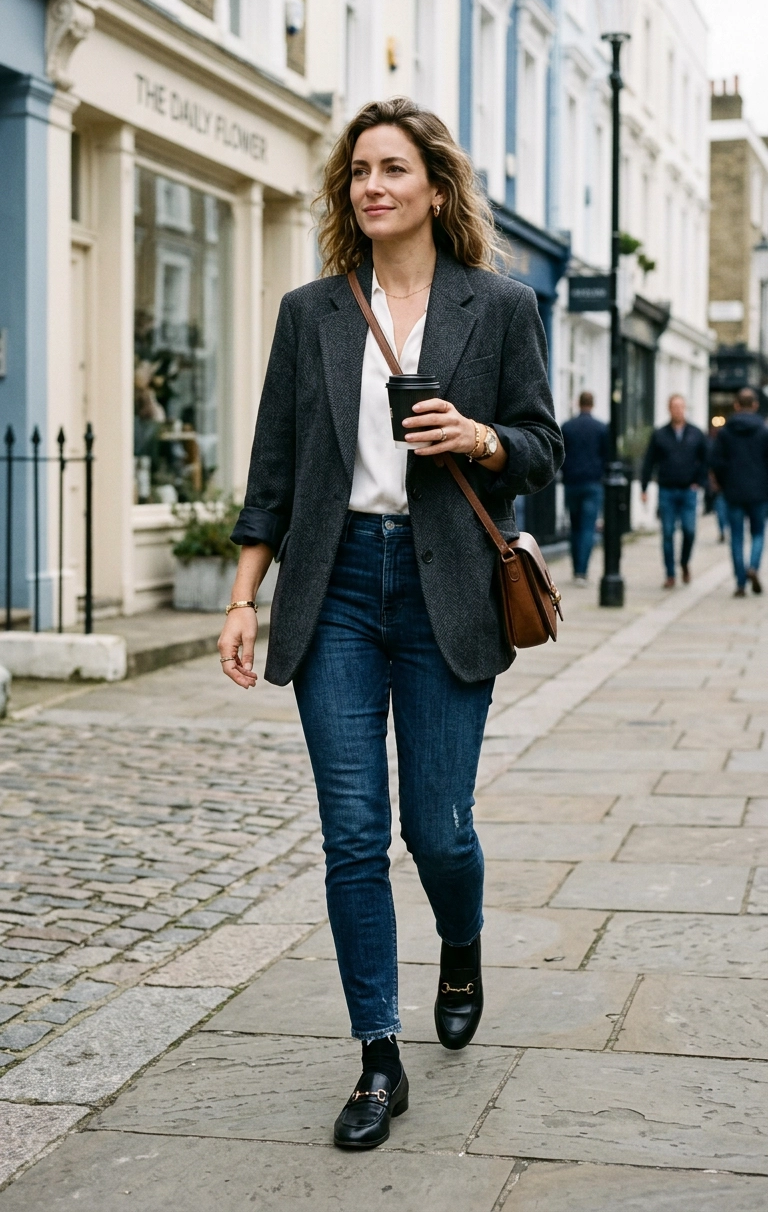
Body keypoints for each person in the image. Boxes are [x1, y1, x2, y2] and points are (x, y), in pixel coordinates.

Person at [217, 97, 562, 1150]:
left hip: (444, 586)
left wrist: (481, 438)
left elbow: (543, 448)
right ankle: (378, 1056)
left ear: (437, 189)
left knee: (438, 827)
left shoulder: (498, 305)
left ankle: (461, 941)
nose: (373, 185)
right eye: (360, 170)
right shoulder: (311, 312)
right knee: (354, 834)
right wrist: (243, 596)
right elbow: (274, 467)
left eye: (394, 169)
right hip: (335, 588)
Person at [641, 395, 708, 588]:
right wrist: (644, 487)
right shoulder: (660, 434)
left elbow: (705, 459)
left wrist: (699, 482)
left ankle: (684, 562)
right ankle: (670, 573)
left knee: (689, 531)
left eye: (680, 406)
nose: (677, 410)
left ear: (685, 408)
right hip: (667, 490)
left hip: (688, 490)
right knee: (668, 533)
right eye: (674, 407)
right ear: (669, 409)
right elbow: (649, 461)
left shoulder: (696, 433)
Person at [710, 387, 768, 597]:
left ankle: (741, 583)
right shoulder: (764, 431)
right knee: (758, 533)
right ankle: (753, 566)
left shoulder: (726, 432)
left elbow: (716, 461)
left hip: (733, 492)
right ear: (755, 405)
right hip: (759, 492)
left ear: (736, 405)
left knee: (736, 537)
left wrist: (724, 483)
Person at [561, 391, 608, 585]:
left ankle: (576, 569)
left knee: (574, 527)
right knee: (588, 528)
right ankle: (582, 571)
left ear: (578, 403)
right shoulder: (601, 428)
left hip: (572, 483)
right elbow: (606, 456)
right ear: (593, 404)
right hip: (592, 483)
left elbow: (561, 454)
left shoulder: (568, 427)